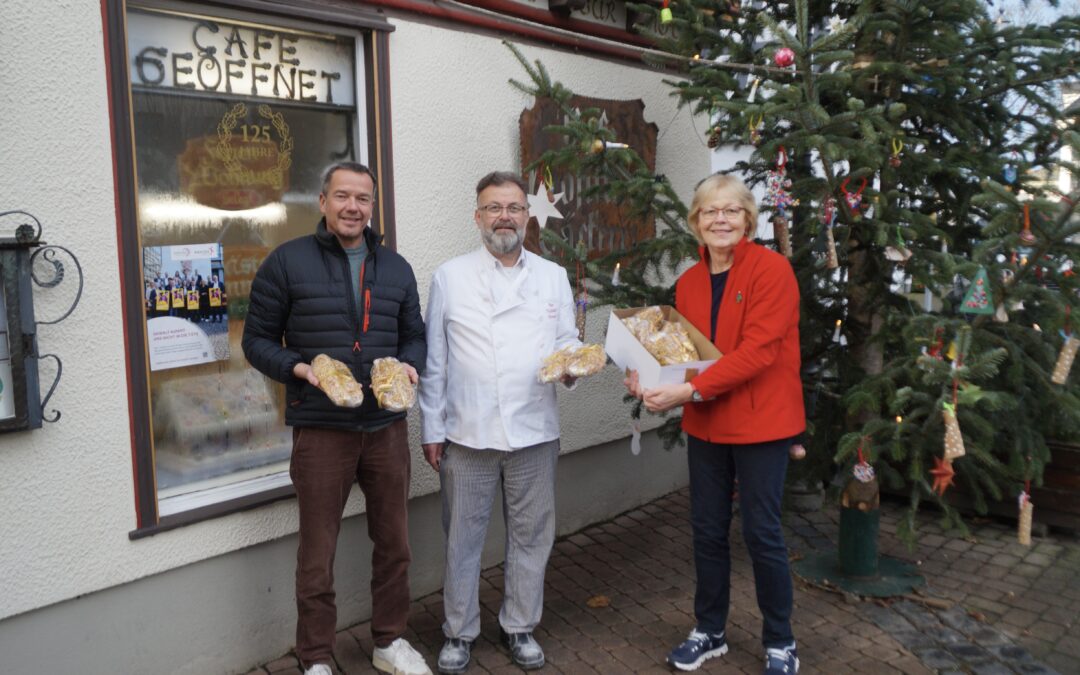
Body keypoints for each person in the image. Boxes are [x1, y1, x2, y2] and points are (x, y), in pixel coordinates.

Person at [242, 161, 431, 675]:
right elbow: (255, 342)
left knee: (394, 543)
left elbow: (414, 333)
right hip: (322, 431)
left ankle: (389, 642)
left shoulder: (395, 267)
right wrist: (299, 369)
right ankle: (316, 658)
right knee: (317, 553)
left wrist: (410, 364)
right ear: (322, 202)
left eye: (363, 199)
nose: (353, 207)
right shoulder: (287, 262)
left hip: (385, 429)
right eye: (342, 196)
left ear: (373, 206)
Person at [625, 174, 805, 674]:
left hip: (761, 424)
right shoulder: (688, 282)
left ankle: (781, 641)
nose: (720, 220)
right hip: (706, 424)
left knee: (762, 532)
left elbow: (758, 353)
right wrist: (646, 374)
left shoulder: (773, 271)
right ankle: (710, 631)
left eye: (730, 211)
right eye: (709, 212)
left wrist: (687, 390)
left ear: (747, 219)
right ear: (696, 223)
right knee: (706, 530)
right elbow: (683, 354)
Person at [419, 171, 580, 675]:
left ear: (527, 216)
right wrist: (432, 428)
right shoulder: (450, 275)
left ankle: (519, 625)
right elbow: (435, 361)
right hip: (468, 433)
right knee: (462, 538)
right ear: (478, 217)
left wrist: (574, 361)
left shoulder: (552, 275)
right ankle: (458, 631)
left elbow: (566, 340)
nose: (504, 216)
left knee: (532, 535)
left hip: (534, 429)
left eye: (513, 207)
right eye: (493, 208)